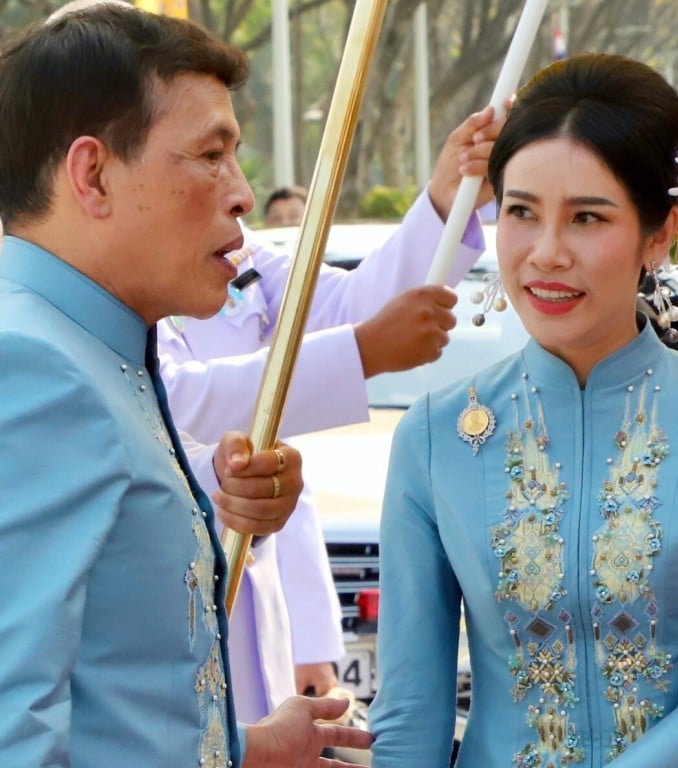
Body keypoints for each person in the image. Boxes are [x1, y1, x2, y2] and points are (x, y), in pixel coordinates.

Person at [368, 52, 678, 768]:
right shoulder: (433, 436)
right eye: (521, 212)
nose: (546, 253)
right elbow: (410, 708)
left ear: (658, 232)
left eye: (587, 217)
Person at [0, 5, 371, 767]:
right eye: (210, 155)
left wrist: (245, 749)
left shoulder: (98, 351)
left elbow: (111, 696)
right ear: (93, 173)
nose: (241, 192)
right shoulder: (31, 368)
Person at [158, 105, 506, 722]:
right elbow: (173, 403)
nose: (240, 191)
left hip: (254, 597)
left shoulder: (242, 261)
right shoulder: (45, 306)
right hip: (163, 626)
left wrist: (444, 200)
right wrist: (362, 352)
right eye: (211, 156)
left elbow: (354, 304)